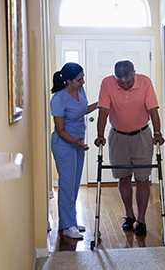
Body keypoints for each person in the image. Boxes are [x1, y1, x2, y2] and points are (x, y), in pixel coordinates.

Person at [94, 60, 165, 236]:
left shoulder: (145, 82)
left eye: (128, 82)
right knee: (123, 177)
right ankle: (129, 215)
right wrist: (100, 135)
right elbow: (103, 111)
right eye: (121, 83)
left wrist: (157, 132)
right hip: (118, 136)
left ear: (134, 73)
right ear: (115, 77)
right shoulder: (107, 83)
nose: (125, 86)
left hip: (142, 136)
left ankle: (141, 219)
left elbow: (153, 111)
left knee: (142, 179)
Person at [50, 62, 98, 239]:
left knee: (74, 184)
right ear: (68, 80)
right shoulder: (58, 99)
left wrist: (100, 104)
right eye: (79, 79)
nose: (83, 82)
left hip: (78, 143)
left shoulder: (80, 91)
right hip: (64, 144)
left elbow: (82, 110)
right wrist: (76, 142)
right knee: (66, 185)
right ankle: (67, 225)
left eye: (83, 77)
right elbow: (61, 130)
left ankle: (71, 221)